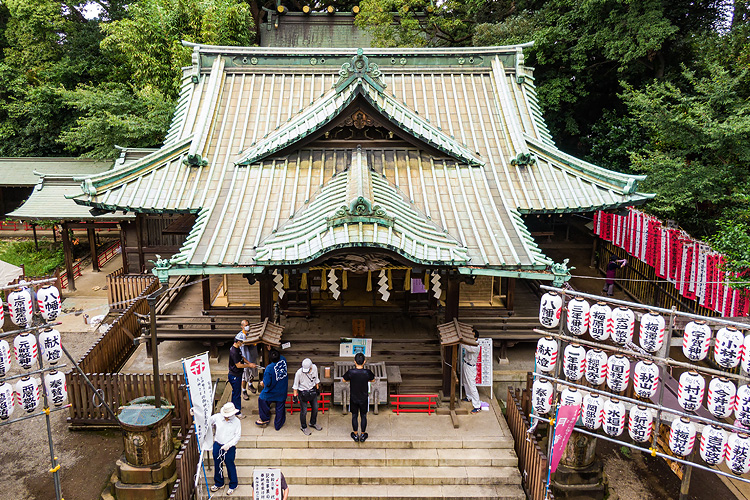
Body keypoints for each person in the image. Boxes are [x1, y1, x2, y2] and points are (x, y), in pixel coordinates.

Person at [209, 402, 242, 495]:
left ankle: (233, 484)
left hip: (229, 447)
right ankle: (219, 483)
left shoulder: (237, 422)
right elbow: (207, 421)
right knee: (217, 463)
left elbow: (237, 436)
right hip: (218, 444)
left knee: (230, 464)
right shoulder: (217, 417)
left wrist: (230, 444)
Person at [343, 352, 375, 442]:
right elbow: (373, 379)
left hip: (353, 397)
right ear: (364, 361)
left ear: (354, 361)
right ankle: (363, 434)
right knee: (363, 415)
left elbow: (343, 379)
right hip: (364, 398)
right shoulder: (367, 372)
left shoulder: (351, 372)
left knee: (354, 415)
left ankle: (355, 434)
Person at [257, 348, 288, 430]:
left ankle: (265, 418)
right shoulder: (283, 360)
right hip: (282, 389)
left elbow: (267, 383)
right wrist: (272, 350)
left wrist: (262, 383)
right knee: (280, 407)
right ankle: (278, 425)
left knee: (262, 399)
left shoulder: (269, 368)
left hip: (272, 391)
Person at [229, 333, 256, 419]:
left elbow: (242, 357)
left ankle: (233, 408)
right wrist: (249, 366)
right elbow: (239, 365)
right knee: (237, 394)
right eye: (242, 342)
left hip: (237, 374)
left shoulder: (237, 349)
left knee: (235, 393)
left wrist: (249, 362)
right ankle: (237, 411)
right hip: (235, 375)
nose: (243, 344)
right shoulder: (233, 351)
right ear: (237, 342)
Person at [292, 358, 322, 435]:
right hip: (303, 392)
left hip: (312, 390)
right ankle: (303, 426)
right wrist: (295, 397)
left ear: (311, 367)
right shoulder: (299, 373)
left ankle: (313, 422)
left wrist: (318, 389)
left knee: (315, 408)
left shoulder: (314, 368)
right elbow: (295, 386)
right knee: (304, 411)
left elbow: (316, 379)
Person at [461, 329, 483, 414]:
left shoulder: (476, 346)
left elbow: (467, 348)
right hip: (466, 364)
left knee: (472, 385)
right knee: (465, 382)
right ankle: (469, 396)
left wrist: (461, 341)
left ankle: (477, 406)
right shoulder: (471, 343)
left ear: (476, 338)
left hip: (471, 367)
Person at [237, 320, 259, 399]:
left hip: (252, 357)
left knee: (252, 374)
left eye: (248, 324)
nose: (247, 326)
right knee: (244, 376)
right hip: (245, 359)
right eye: (246, 325)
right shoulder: (239, 336)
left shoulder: (252, 333)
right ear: (242, 326)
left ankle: (250, 385)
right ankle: (244, 390)